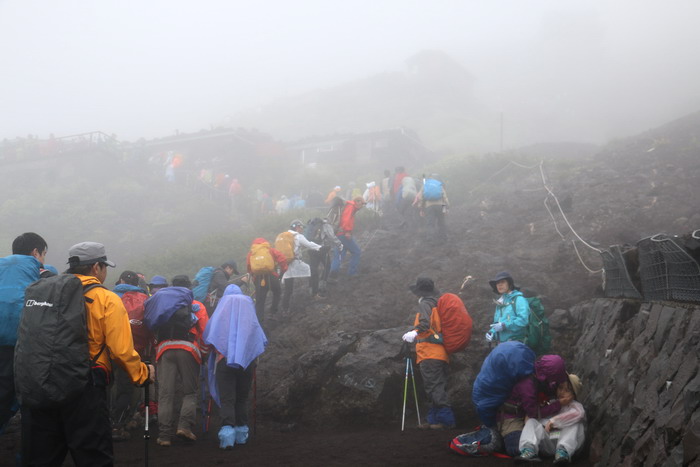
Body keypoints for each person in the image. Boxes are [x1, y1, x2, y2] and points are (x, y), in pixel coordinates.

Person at [21, 242, 154, 466]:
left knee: (41, 458)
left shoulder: (43, 289)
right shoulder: (106, 298)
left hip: (40, 383)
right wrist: (142, 374)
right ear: (95, 267)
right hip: (85, 387)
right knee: (93, 458)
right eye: (104, 267)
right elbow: (121, 351)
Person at [203, 285, 267, 450]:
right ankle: (241, 434)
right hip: (247, 361)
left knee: (228, 398)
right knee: (242, 397)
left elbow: (209, 336)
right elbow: (258, 335)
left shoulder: (222, 306)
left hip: (224, 360)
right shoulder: (247, 305)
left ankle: (227, 435)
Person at [150, 280, 209, 447]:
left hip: (164, 349)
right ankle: (184, 427)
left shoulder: (163, 304)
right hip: (188, 348)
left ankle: (164, 436)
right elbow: (205, 331)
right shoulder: (196, 305)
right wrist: (203, 353)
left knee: (165, 394)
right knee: (189, 392)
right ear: (188, 287)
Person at [0, 233, 46, 432]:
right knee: (22, 392)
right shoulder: (39, 273)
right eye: (43, 254)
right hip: (20, 342)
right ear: (36, 252)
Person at [401, 277, 456, 429]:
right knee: (433, 386)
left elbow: (424, 324)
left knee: (434, 386)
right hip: (439, 352)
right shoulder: (436, 303)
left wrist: (414, 332)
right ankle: (433, 420)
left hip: (429, 353)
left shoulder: (426, 303)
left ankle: (446, 421)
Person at [497, 354, 569, 457]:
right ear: (546, 376)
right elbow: (534, 412)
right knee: (518, 448)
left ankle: (549, 444)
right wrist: (558, 404)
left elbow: (547, 387)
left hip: (526, 415)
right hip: (512, 418)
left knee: (536, 438)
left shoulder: (537, 374)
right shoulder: (527, 384)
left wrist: (556, 388)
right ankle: (498, 437)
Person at [111, 270, 152, 441]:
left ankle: (105, 422)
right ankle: (120, 423)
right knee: (127, 387)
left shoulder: (109, 295)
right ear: (137, 283)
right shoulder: (144, 300)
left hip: (107, 349)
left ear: (120, 280)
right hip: (133, 350)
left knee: (106, 386)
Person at [516, 374, 585, 464]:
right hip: (554, 436)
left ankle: (563, 453)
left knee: (574, 424)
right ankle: (529, 449)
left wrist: (553, 421)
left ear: (574, 395)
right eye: (560, 388)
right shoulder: (552, 403)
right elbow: (537, 416)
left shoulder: (576, 407)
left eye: (567, 390)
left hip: (568, 441)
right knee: (532, 422)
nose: (562, 392)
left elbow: (578, 414)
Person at [281, 220, 322, 313]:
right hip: (296, 263)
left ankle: (285, 309)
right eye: (301, 227)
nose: (302, 229)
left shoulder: (283, 236)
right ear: (297, 227)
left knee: (288, 289)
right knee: (314, 272)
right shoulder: (298, 236)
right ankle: (314, 294)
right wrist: (320, 247)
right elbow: (309, 245)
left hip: (287, 264)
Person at [246, 238, 288, 321]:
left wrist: (254, 278)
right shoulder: (270, 250)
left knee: (260, 301)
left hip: (259, 279)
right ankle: (272, 313)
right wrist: (283, 271)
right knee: (277, 292)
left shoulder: (252, 253)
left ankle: (259, 320)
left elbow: (249, 267)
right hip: (272, 276)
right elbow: (282, 258)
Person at [486, 271, 530, 345]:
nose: (499, 284)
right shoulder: (500, 303)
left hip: (516, 344)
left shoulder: (519, 299)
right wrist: (492, 332)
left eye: (502, 282)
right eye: (497, 283)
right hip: (502, 345)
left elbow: (523, 320)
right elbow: (497, 324)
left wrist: (504, 325)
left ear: (509, 283)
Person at [306, 218, 342, 298]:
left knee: (313, 269)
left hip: (311, 249)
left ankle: (311, 288)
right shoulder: (326, 225)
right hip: (322, 249)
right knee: (327, 266)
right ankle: (322, 286)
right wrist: (339, 244)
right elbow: (332, 237)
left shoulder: (311, 224)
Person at [330, 197, 365, 277]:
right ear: (357, 201)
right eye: (362, 203)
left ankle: (332, 274)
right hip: (344, 234)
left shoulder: (348, 206)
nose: (362, 206)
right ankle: (352, 272)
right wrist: (347, 231)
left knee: (339, 255)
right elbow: (346, 220)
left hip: (338, 234)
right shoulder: (351, 206)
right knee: (357, 252)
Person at [416, 174, 449, 241]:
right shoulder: (439, 184)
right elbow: (444, 198)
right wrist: (446, 208)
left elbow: (421, 198)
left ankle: (431, 238)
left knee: (430, 223)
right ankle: (443, 236)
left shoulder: (425, 185)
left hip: (429, 206)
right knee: (441, 221)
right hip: (441, 205)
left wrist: (421, 209)